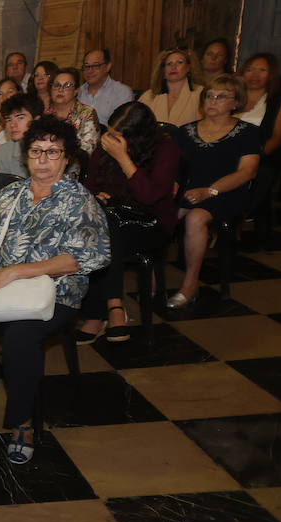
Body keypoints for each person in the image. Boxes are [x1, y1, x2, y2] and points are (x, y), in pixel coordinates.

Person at [0, 117, 110, 464]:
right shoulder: (10, 194)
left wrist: (11, 274)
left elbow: (81, 258)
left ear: (66, 158)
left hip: (54, 293)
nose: (43, 159)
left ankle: (23, 423)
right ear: (25, 155)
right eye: (36, 151)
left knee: (19, 338)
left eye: (53, 152)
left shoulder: (79, 200)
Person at [78, 102, 181, 343]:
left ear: (137, 136)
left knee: (103, 227)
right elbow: (90, 186)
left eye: (117, 136)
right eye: (110, 132)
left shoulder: (166, 148)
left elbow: (150, 195)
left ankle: (106, 310)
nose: (110, 139)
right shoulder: (107, 145)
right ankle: (102, 310)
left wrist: (123, 158)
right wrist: (96, 197)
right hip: (113, 218)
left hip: (151, 222)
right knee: (100, 224)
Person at [169, 75, 261, 308]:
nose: (213, 100)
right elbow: (172, 169)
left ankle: (190, 285)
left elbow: (247, 172)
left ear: (236, 102)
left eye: (221, 96)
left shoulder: (247, 132)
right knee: (159, 216)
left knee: (196, 217)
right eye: (209, 95)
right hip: (189, 191)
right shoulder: (185, 131)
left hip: (227, 192)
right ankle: (151, 278)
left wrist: (210, 191)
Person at [240, 53, 281, 231]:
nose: (254, 75)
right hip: (231, 152)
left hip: (264, 154)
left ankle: (238, 219)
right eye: (249, 70)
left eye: (262, 70)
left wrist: (256, 155)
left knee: (260, 173)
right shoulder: (231, 97)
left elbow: (278, 138)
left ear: (271, 74)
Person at [140, 49, 206, 126]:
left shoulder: (201, 93)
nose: (173, 67)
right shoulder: (149, 96)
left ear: (188, 67)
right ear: (163, 70)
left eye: (179, 62)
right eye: (169, 64)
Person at [48, 67, 100, 153]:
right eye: (57, 85)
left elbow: (86, 152)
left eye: (67, 85)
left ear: (76, 90)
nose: (60, 90)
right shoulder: (46, 113)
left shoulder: (87, 113)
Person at [78, 48, 135, 125]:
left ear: (108, 67)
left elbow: (121, 128)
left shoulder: (122, 92)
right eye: (87, 66)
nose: (90, 71)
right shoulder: (77, 93)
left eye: (95, 66)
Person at [0, 94, 45, 177]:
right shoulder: (4, 151)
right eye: (8, 120)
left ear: (36, 120)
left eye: (20, 118)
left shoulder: (55, 146)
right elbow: (4, 187)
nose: (12, 125)